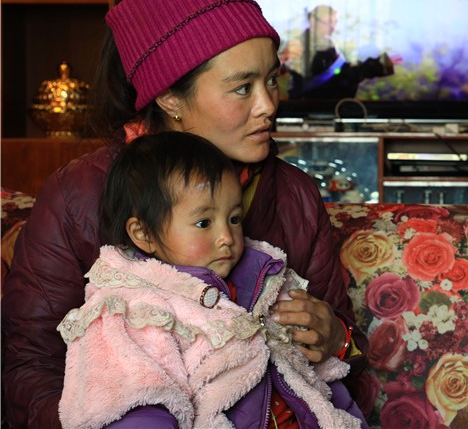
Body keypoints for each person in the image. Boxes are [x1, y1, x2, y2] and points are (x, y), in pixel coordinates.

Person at [2, 0, 369, 428]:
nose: (268, 105)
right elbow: (30, 365)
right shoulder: (78, 196)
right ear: (170, 99)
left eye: (272, 80)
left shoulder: (292, 195)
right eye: (242, 88)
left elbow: (345, 358)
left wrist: (337, 338)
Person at [58, 131, 365, 428]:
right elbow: (137, 399)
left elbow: (316, 377)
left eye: (234, 218)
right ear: (144, 234)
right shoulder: (135, 309)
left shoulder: (265, 280)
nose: (226, 237)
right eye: (204, 222)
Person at [280, 4, 395, 100]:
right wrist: (374, 66)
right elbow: (330, 79)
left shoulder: (328, 44)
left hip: (331, 107)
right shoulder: (299, 44)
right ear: (313, 21)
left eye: (335, 22)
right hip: (310, 106)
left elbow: (339, 73)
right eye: (328, 22)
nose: (333, 26)